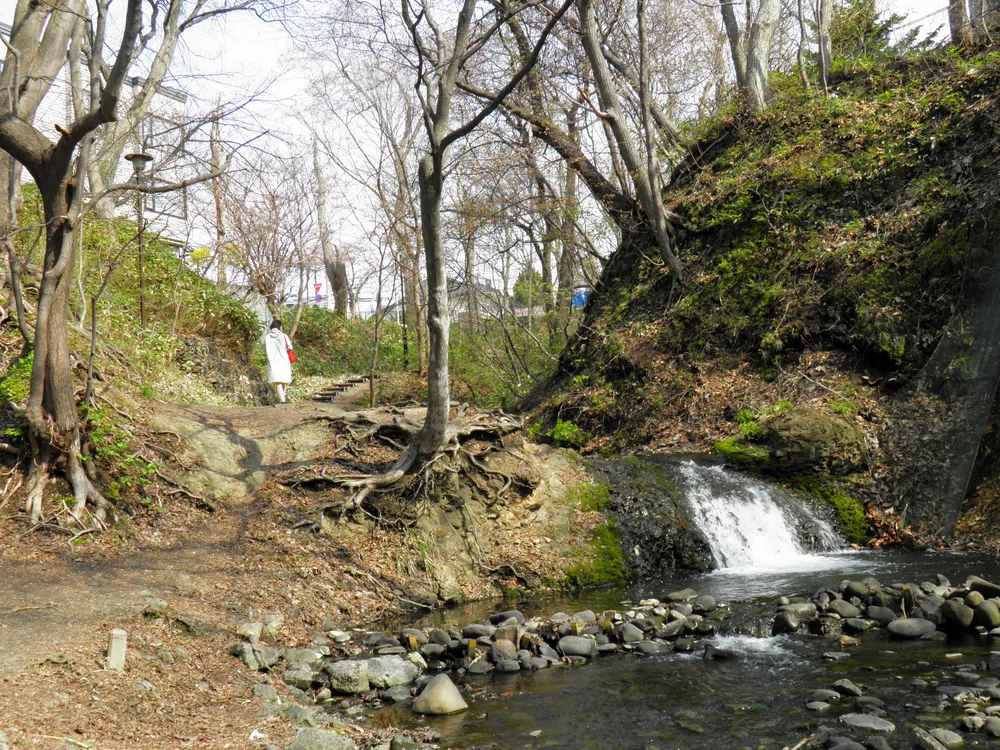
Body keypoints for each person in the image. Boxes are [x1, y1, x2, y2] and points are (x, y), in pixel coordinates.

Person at [263, 318, 293, 404]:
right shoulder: (283, 336)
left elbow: (265, 349)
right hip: (283, 360)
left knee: (277, 381)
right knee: (283, 380)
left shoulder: (267, 337)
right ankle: (283, 400)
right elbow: (290, 347)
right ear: (279, 327)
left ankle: (282, 399)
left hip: (272, 361)